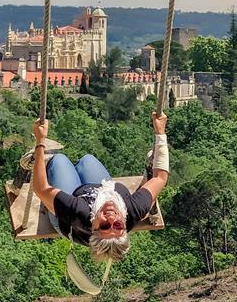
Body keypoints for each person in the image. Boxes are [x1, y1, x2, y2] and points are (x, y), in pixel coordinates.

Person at [32, 112, 169, 262]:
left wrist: (40, 142)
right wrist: (160, 133)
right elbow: (159, 178)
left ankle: (52, 202)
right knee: (87, 160)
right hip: (99, 190)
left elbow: (41, 189)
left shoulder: (78, 212)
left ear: (93, 227)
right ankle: (78, 173)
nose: (111, 218)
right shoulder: (133, 210)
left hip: (69, 211)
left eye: (104, 226)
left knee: (59, 160)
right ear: (124, 225)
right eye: (117, 225)